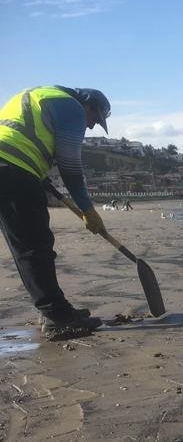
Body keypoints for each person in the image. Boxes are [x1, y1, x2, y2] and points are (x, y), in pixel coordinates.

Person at [0, 86, 110, 340]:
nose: (92, 126)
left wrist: (38, 173)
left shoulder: (37, 95)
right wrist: (87, 209)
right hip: (13, 169)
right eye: (95, 119)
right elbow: (70, 165)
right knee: (35, 247)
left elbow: (26, 134)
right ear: (88, 105)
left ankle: (55, 309)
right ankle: (56, 317)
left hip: (10, 166)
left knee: (26, 246)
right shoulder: (71, 107)